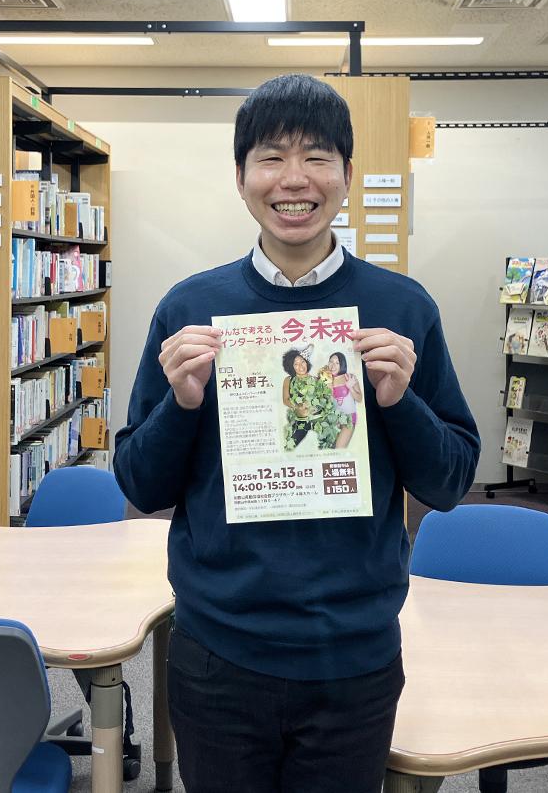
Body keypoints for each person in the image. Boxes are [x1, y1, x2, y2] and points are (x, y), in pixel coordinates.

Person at [114, 73, 480, 793]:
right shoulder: (191, 308)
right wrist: (180, 404)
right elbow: (140, 483)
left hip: (353, 655)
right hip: (218, 650)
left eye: (316, 157)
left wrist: (400, 402)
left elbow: (449, 482)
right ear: (241, 177)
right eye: (271, 157)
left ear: (347, 175)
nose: (294, 179)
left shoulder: (402, 308)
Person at [328, 350, 363, 448]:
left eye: (337, 363)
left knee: (339, 448)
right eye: (331, 362)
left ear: (342, 364)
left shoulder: (349, 377)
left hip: (349, 419)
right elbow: (328, 403)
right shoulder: (326, 379)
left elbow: (359, 398)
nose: (333, 366)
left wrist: (350, 387)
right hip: (334, 420)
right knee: (330, 449)